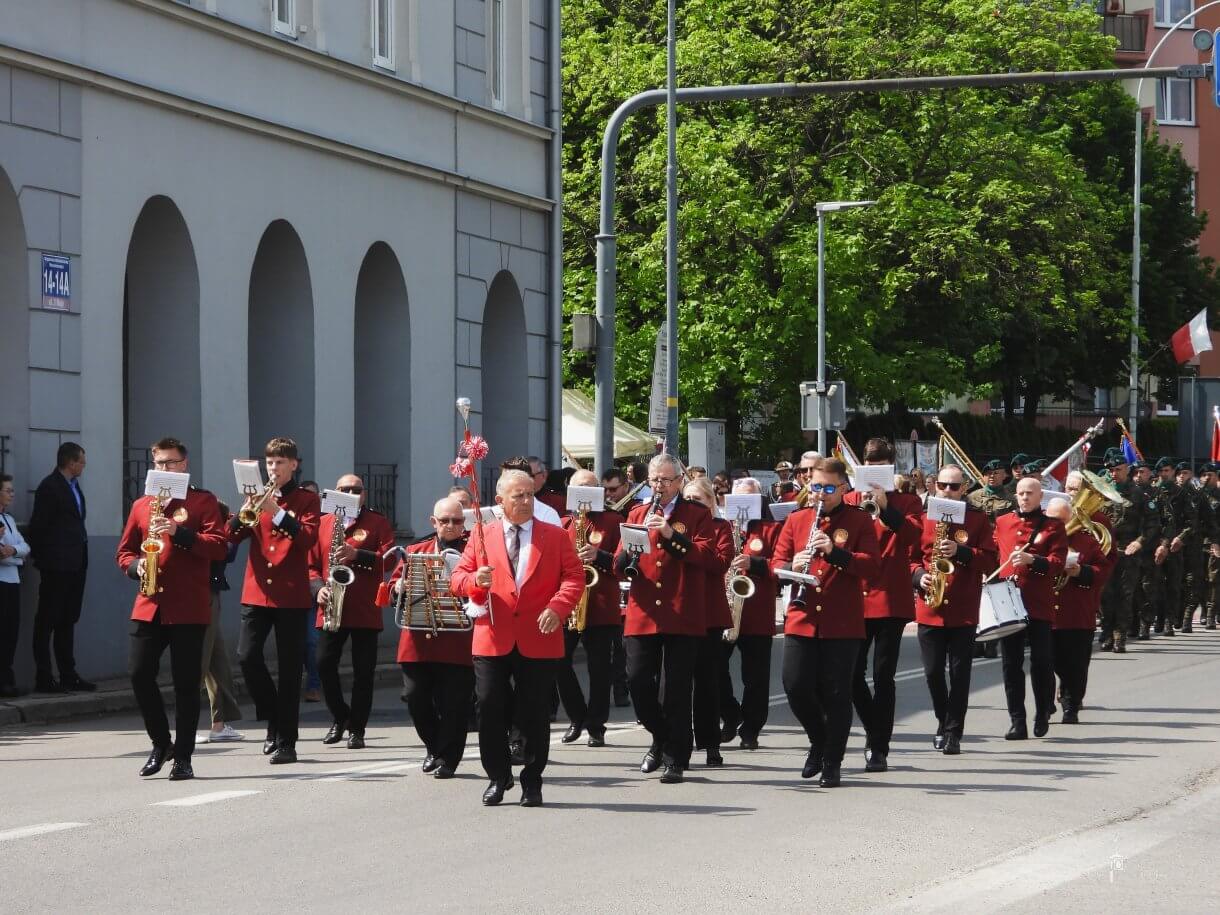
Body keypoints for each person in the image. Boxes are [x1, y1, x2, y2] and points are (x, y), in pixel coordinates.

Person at [450, 469, 584, 807]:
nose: (526, 501)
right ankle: (498, 775)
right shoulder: (481, 534)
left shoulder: (553, 536)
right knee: (489, 703)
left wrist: (558, 606)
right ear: (500, 501)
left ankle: (532, 780)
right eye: (518, 496)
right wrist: (474, 582)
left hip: (539, 634)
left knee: (535, 711)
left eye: (530, 495)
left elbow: (573, 577)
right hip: (493, 634)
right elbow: (458, 578)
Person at [116, 437, 229, 780]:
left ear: (185, 464)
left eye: (171, 463)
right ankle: (161, 742)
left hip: (188, 606)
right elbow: (124, 552)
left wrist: (181, 532)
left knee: (185, 683)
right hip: (150, 603)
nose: (164, 469)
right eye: (159, 464)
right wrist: (135, 567)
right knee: (139, 674)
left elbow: (220, 547)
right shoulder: (141, 504)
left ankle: (183, 756)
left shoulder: (202, 501)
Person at [772, 457, 879, 787]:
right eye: (814, 486)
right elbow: (777, 563)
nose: (820, 494)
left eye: (828, 488)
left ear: (844, 488)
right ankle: (819, 740)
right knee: (795, 686)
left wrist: (834, 552)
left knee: (836, 693)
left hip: (841, 621)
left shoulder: (859, 521)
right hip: (802, 617)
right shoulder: (797, 519)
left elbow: (872, 568)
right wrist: (794, 562)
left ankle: (832, 760)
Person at [614, 453, 715, 784]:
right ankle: (661, 736)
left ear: (679, 481)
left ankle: (675, 757)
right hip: (644, 610)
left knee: (675, 690)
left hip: (681, 610)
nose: (659, 486)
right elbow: (618, 564)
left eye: (666, 480)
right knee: (638, 682)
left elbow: (708, 559)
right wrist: (627, 552)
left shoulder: (696, 515)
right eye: (654, 480)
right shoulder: (637, 512)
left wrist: (672, 535)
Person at [228, 437, 321, 765]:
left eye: (280, 463)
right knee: (246, 656)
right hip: (257, 591)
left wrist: (277, 512)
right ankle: (273, 717)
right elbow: (232, 535)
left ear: (293, 465)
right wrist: (242, 514)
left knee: (290, 668)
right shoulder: (257, 497)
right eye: (269, 463)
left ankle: (287, 742)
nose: (274, 469)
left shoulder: (307, 500)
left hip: (291, 594)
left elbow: (308, 539)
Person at [843, 438, 923, 773]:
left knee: (883, 676)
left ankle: (879, 747)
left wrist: (886, 507)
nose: (875, 468)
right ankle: (875, 728)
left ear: (890, 464)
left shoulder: (906, 500)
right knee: (850, 675)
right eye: (869, 463)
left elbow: (913, 537)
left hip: (890, 596)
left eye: (881, 463)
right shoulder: (849, 499)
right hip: (855, 598)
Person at [914, 464, 996, 755]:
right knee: (933, 673)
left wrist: (961, 552)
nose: (948, 491)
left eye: (955, 487)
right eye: (944, 486)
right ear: (936, 486)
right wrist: (917, 576)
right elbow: (910, 558)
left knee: (960, 674)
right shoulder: (923, 519)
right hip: (929, 608)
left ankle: (953, 732)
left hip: (962, 607)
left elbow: (989, 560)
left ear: (964, 489)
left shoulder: (977, 520)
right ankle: (942, 719)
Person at [310, 474, 395, 750]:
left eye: (355, 489)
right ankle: (340, 717)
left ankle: (357, 729)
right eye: (343, 489)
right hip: (332, 605)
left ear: (364, 494)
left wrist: (358, 555)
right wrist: (317, 589)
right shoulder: (324, 523)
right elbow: (310, 565)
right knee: (323, 664)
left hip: (363, 608)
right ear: (334, 493)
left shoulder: (377, 521)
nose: (349, 493)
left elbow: (391, 558)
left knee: (363, 672)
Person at [393, 497, 475, 779]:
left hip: (458, 642)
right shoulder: (416, 550)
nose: (451, 526)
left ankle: (448, 759)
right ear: (434, 522)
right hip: (419, 640)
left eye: (457, 521)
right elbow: (393, 585)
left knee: (455, 704)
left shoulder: (474, 552)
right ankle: (433, 747)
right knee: (415, 697)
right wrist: (399, 586)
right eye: (445, 521)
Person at [993, 476, 1067, 740]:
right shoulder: (1003, 522)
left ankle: (1042, 711)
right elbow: (994, 554)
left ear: (1039, 497)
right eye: (1021, 493)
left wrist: (1032, 560)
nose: (1024, 497)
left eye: (1030, 493)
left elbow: (1058, 562)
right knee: (1010, 664)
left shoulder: (1053, 526)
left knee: (1042, 662)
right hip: (1008, 604)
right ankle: (1017, 721)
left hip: (1038, 602)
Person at [556, 470, 624, 747]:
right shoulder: (562, 524)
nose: (584, 493)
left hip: (601, 603)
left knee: (600, 669)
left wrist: (600, 556)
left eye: (590, 488)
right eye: (579, 488)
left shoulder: (614, 520)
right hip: (568, 604)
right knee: (558, 661)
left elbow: (622, 561)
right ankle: (576, 716)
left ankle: (596, 726)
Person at [720, 477, 781, 750]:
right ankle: (731, 714)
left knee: (755, 678)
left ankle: (751, 730)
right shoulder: (722, 528)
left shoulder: (770, 529)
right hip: (725, 611)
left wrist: (754, 563)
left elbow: (781, 565)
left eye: (749, 499)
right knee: (714, 669)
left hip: (756, 612)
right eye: (738, 499)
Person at [27, 442, 93, 693]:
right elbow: (39, 527)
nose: (84, 466)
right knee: (47, 620)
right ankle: (44, 677)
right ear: (70, 462)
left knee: (68, 619)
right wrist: (45, 560)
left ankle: (68, 674)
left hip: (76, 564)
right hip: (56, 565)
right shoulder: (50, 487)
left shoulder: (74, 487)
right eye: (81, 462)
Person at [1046, 493, 1112, 724]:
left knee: (1076, 664)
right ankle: (1047, 703)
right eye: (1054, 520)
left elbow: (1102, 571)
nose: (1059, 526)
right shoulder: (1039, 540)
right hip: (1046, 612)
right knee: (1045, 662)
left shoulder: (1087, 541)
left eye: (1063, 520)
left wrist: (1080, 571)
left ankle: (1071, 705)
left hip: (1077, 613)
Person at [684, 476, 733, 767]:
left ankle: (710, 743)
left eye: (698, 500)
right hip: (680, 611)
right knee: (678, 682)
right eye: (688, 499)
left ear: (710, 503)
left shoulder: (719, 527)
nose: (692, 506)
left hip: (709, 612)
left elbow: (719, 562)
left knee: (707, 680)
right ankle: (678, 742)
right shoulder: (674, 525)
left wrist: (687, 548)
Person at [1099, 450, 1159, 653]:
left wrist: (1140, 542)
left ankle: (1119, 636)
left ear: (1127, 469)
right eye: (1111, 470)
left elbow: (1153, 524)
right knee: (1106, 594)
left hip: (1128, 552)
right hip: (1106, 550)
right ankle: (1106, 633)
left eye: (1118, 469)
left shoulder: (1139, 495)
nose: (1115, 473)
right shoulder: (1102, 492)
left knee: (1125, 595)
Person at [200, 501, 243, 743]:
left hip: (211, 595)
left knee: (217, 662)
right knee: (200, 658)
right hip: (201, 596)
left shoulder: (214, 534)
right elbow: (226, 552)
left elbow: (228, 552)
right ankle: (184, 722)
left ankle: (219, 723)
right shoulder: (207, 537)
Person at [600, 467, 633, 707]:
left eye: (614, 489)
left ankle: (622, 689)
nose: (610, 495)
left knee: (622, 643)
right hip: (611, 581)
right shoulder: (602, 515)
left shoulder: (635, 509)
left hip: (631, 580)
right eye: (606, 490)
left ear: (626, 487)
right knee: (615, 641)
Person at [0, 474, 31, 697]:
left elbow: (24, 546)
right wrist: (15, 555)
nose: (12, 494)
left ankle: (7, 679)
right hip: (1, 580)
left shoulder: (9, 520)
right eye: (7, 490)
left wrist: (14, 553)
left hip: (13, 580)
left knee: (11, 631)